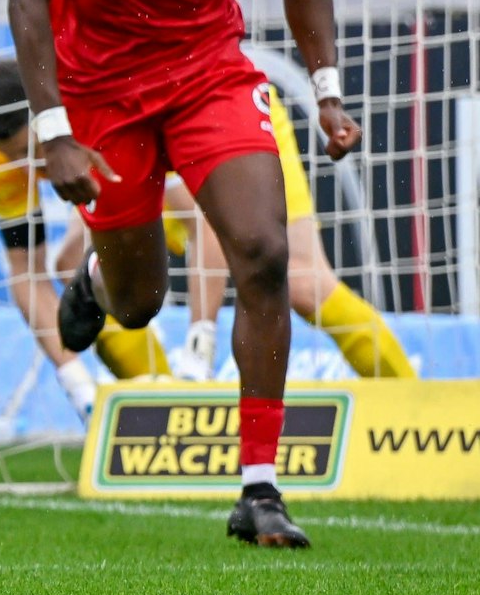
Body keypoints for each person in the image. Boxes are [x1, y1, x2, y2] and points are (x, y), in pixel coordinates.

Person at [8, 0, 363, 548]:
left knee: (264, 251)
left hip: (207, 70)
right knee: (138, 304)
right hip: (102, 89)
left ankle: (259, 487)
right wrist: (54, 132)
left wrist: (325, 85)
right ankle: (94, 282)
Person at [165, 84, 416, 381]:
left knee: (303, 281)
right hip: (127, 106)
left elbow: (209, 220)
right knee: (113, 268)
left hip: (216, 104)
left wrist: (326, 86)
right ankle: (134, 397)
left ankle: (414, 398)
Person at [0, 58, 174, 418]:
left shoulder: (96, 110)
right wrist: (75, 381)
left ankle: (185, 374)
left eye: (27, 152)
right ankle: (159, 388)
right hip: (115, 191)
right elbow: (25, 271)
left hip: (173, 188)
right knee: (74, 263)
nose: (26, 167)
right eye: (14, 157)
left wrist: (201, 336)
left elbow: (200, 220)